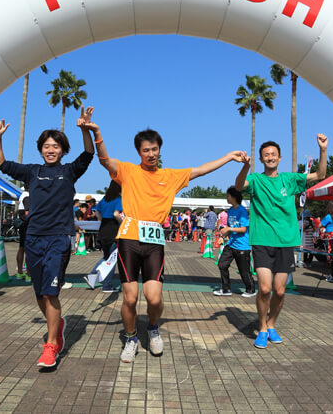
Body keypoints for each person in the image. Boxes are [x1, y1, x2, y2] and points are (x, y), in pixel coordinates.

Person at [79, 114, 245, 362]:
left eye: (154, 149)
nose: (151, 154)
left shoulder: (170, 176)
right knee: (130, 298)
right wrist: (96, 132)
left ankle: (153, 328)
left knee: (154, 298)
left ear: (159, 149)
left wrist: (229, 157)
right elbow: (104, 160)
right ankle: (131, 338)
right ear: (139, 152)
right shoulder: (128, 171)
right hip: (129, 240)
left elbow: (201, 170)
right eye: (146, 150)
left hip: (154, 243)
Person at [0, 106, 95, 368]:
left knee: (50, 293)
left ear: (62, 150)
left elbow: (88, 153)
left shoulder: (70, 171)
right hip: (33, 238)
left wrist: (85, 129)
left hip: (58, 238)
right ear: (40, 149)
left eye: (55, 146)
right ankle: (57, 323)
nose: (51, 150)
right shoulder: (32, 171)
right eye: (47, 146)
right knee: (39, 293)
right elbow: (1, 164)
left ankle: (51, 346)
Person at [235, 134, 328, 349]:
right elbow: (239, 186)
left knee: (280, 291)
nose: (270, 157)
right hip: (262, 241)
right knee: (264, 288)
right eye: (266, 155)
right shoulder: (256, 180)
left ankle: (272, 324)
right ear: (261, 159)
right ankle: (262, 328)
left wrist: (323, 149)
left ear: (279, 157)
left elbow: (320, 174)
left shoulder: (289, 179)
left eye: (273, 154)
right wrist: (245, 166)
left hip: (285, 242)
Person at [213, 186, 255, 297]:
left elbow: (243, 229)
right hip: (231, 244)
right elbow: (229, 228)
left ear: (234, 197)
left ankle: (250, 290)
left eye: (228, 196)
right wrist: (223, 236)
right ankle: (226, 289)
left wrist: (229, 229)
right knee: (222, 264)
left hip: (242, 246)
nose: (227, 198)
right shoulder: (230, 210)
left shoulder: (242, 211)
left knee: (244, 271)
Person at [89, 180, 122, 292]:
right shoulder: (119, 199)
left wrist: (101, 220)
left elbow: (97, 212)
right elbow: (116, 214)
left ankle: (91, 276)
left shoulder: (105, 199)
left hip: (103, 229)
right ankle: (107, 285)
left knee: (106, 257)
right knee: (112, 259)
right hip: (113, 229)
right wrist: (122, 223)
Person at [16, 185, 31, 281]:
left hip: (23, 226)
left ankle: (19, 272)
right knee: (28, 250)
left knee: (21, 248)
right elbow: (27, 213)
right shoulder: (27, 196)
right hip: (27, 226)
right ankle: (28, 274)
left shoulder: (22, 195)